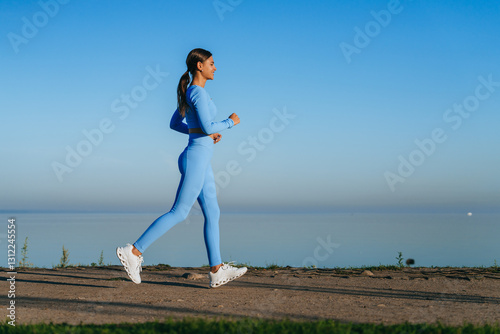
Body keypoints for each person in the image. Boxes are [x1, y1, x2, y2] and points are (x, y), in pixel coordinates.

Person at [116, 48, 247, 288]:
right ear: (200, 66)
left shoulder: (193, 93)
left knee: (213, 212)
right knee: (179, 212)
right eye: (212, 63)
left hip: (200, 157)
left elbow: (177, 123)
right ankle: (133, 251)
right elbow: (206, 125)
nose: (215, 67)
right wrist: (230, 122)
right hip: (195, 158)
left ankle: (216, 270)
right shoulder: (196, 92)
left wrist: (204, 133)